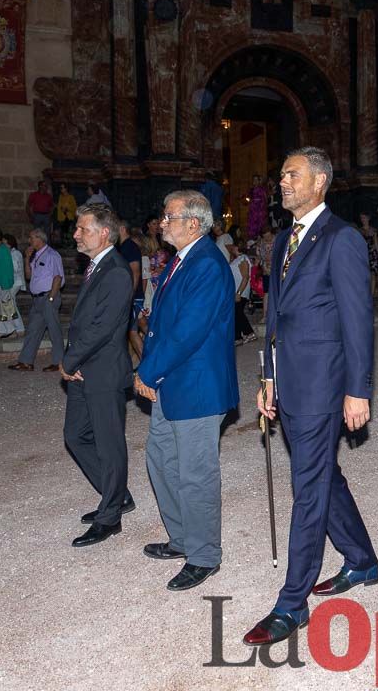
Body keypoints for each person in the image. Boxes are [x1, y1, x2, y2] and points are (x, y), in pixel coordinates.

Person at [247, 147, 378, 647]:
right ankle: (362, 561)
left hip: (325, 383)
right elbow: (275, 317)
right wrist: (268, 377)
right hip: (290, 381)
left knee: (308, 487)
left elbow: (357, 320)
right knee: (322, 474)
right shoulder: (284, 240)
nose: (282, 181)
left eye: (292, 174)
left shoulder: (341, 238)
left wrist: (357, 389)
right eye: (281, 173)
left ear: (319, 181)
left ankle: (291, 603)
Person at [135, 191, 237, 591]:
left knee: (196, 474)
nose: (163, 222)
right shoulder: (182, 260)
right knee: (161, 460)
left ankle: (204, 555)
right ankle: (182, 538)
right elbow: (162, 325)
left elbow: (187, 333)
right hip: (171, 381)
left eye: (169, 216)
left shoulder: (208, 265)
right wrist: (150, 369)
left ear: (193, 223)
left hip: (196, 386)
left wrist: (148, 371)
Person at [61, 203, 137, 549]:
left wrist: (69, 358)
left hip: (103, 371)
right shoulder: (98, 266)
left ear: (104, 233)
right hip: (84, 369)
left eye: (83, 229)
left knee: (109, 445)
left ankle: (110, 516)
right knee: (75, 436)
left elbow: (103, 328)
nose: (76, 234)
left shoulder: (117, 271)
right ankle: (117, 493)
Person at [8, 228, 65, 372]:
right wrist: (27, 259)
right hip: (37, 300)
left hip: (48, 297)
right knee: (33, 330)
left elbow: (58, 277)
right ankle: (26, 362)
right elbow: (28, 276)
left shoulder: (52, 255)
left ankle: (59, 362)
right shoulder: (36, 255)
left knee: (54, 331)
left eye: (31, 237)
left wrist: (51, 297)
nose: (29, 240)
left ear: (40, 239)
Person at [226, 241, 256, 344]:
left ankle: (249, 333)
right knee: (236, 313)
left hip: (241, 291)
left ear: (237, 247)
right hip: (236, 291)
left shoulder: (243, 258)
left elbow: (245, 277)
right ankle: (237, 337)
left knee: (237, 313)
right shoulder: (237, 259)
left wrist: (239, 292)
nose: (231, 248)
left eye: (233, 246)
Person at [4, 233, 27, 336]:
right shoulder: (11, 253)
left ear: (9, 243)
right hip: (12, 282)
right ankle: (16, 328)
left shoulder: (15, 253)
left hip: (15, 282)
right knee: (10, 304)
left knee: (9, 303)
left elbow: (15, 268)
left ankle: (18, 328)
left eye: (4, 242)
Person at [247, 173, 268, 239]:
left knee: (260, 226)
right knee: (253, 226)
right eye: (254, 180)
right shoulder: (251, 190)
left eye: (256, 180)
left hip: (260, 211)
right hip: (253, 211)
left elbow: (265, 199)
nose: (255, 181)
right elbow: (248, 199)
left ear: (259, 181)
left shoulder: (262, 189)